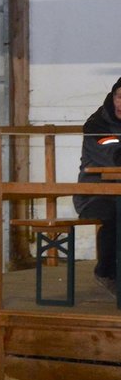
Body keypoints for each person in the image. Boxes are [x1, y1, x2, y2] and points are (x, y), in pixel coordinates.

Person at [74, 76, 121, 296]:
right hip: (94, 195)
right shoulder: (96, 125)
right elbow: (114, 157)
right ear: (112, 97)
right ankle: (105, 272)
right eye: (118, 96)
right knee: (116, 215)